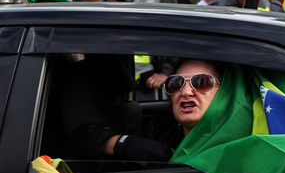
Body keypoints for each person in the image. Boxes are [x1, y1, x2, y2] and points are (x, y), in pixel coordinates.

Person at [69, 59, 222, 162]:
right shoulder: (163, 129)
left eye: (201, 82)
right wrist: (126, 145)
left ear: (224, 93)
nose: (186, 92)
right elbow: (83, 135)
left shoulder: (233, 146)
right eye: (176, 83)